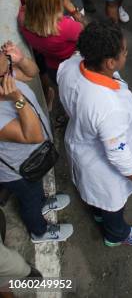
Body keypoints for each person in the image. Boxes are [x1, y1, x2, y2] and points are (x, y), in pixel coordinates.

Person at [57, 20, 132, 247]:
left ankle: (98, 212)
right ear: (110, 62)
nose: (126, 54)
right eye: (124, 52)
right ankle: (116, 235)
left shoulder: (69, 65)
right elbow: (118, 153)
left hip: (80, 145)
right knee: (113, 204)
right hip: (100, 166)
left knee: (97, 198)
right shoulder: (109, 107)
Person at [0, 42, 73, 244]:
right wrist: (17, 98)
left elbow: (32, 73)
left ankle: (43, 201)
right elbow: (33, 136)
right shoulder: (7, 89)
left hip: (32, 157)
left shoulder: (5, 76)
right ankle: (39, 232)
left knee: (36, 185)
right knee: (29, 200)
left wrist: (20, 59)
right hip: (18, 170)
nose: (4, 56)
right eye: (2, 57)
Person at [18, 0, 83, 83]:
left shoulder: (22, 17)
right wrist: (72, 10)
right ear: (56, 5)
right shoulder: (65, 27)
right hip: (71, 65)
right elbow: (84, 32)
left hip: (52, 67)